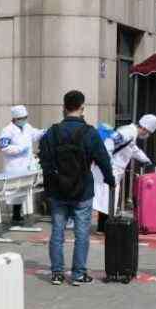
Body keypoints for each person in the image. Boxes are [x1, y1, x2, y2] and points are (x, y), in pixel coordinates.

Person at [38, 90, 114, 286]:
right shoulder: (90, 133)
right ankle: (78, 273)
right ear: (82, 108)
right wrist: (110, 179)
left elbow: (44, 162)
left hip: (57, 190)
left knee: (57, 232)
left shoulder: (52, 132)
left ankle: (56, 273)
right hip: (83, 190)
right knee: (81, 233)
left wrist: (48, 189)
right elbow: (103, 159)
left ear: (63, 108)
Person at [92, 114, 156, 232]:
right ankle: (103, 227)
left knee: (106, 199)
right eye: (148, 132)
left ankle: (103, 227)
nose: (147, 135)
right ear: (145, 128)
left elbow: (133, 149)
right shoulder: (128, 132)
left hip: (113, 169)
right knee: (106, 198)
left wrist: (146, 159)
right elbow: (110, 142)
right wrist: (109, 161)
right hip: (110, 169)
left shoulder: (131, 133)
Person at [0, 105, 45, 225]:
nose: (24, 119)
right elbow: (4, 147)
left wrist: (45, 132)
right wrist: (19, 149)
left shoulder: (27, 127)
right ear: (15, 118)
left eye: (25, 117)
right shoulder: (7, 130)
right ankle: (16, 215)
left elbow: (35, 134)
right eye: (22, 118)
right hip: (14, 165)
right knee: (15, 191)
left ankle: (21, 214)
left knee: (24, 190)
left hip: (26, 165)